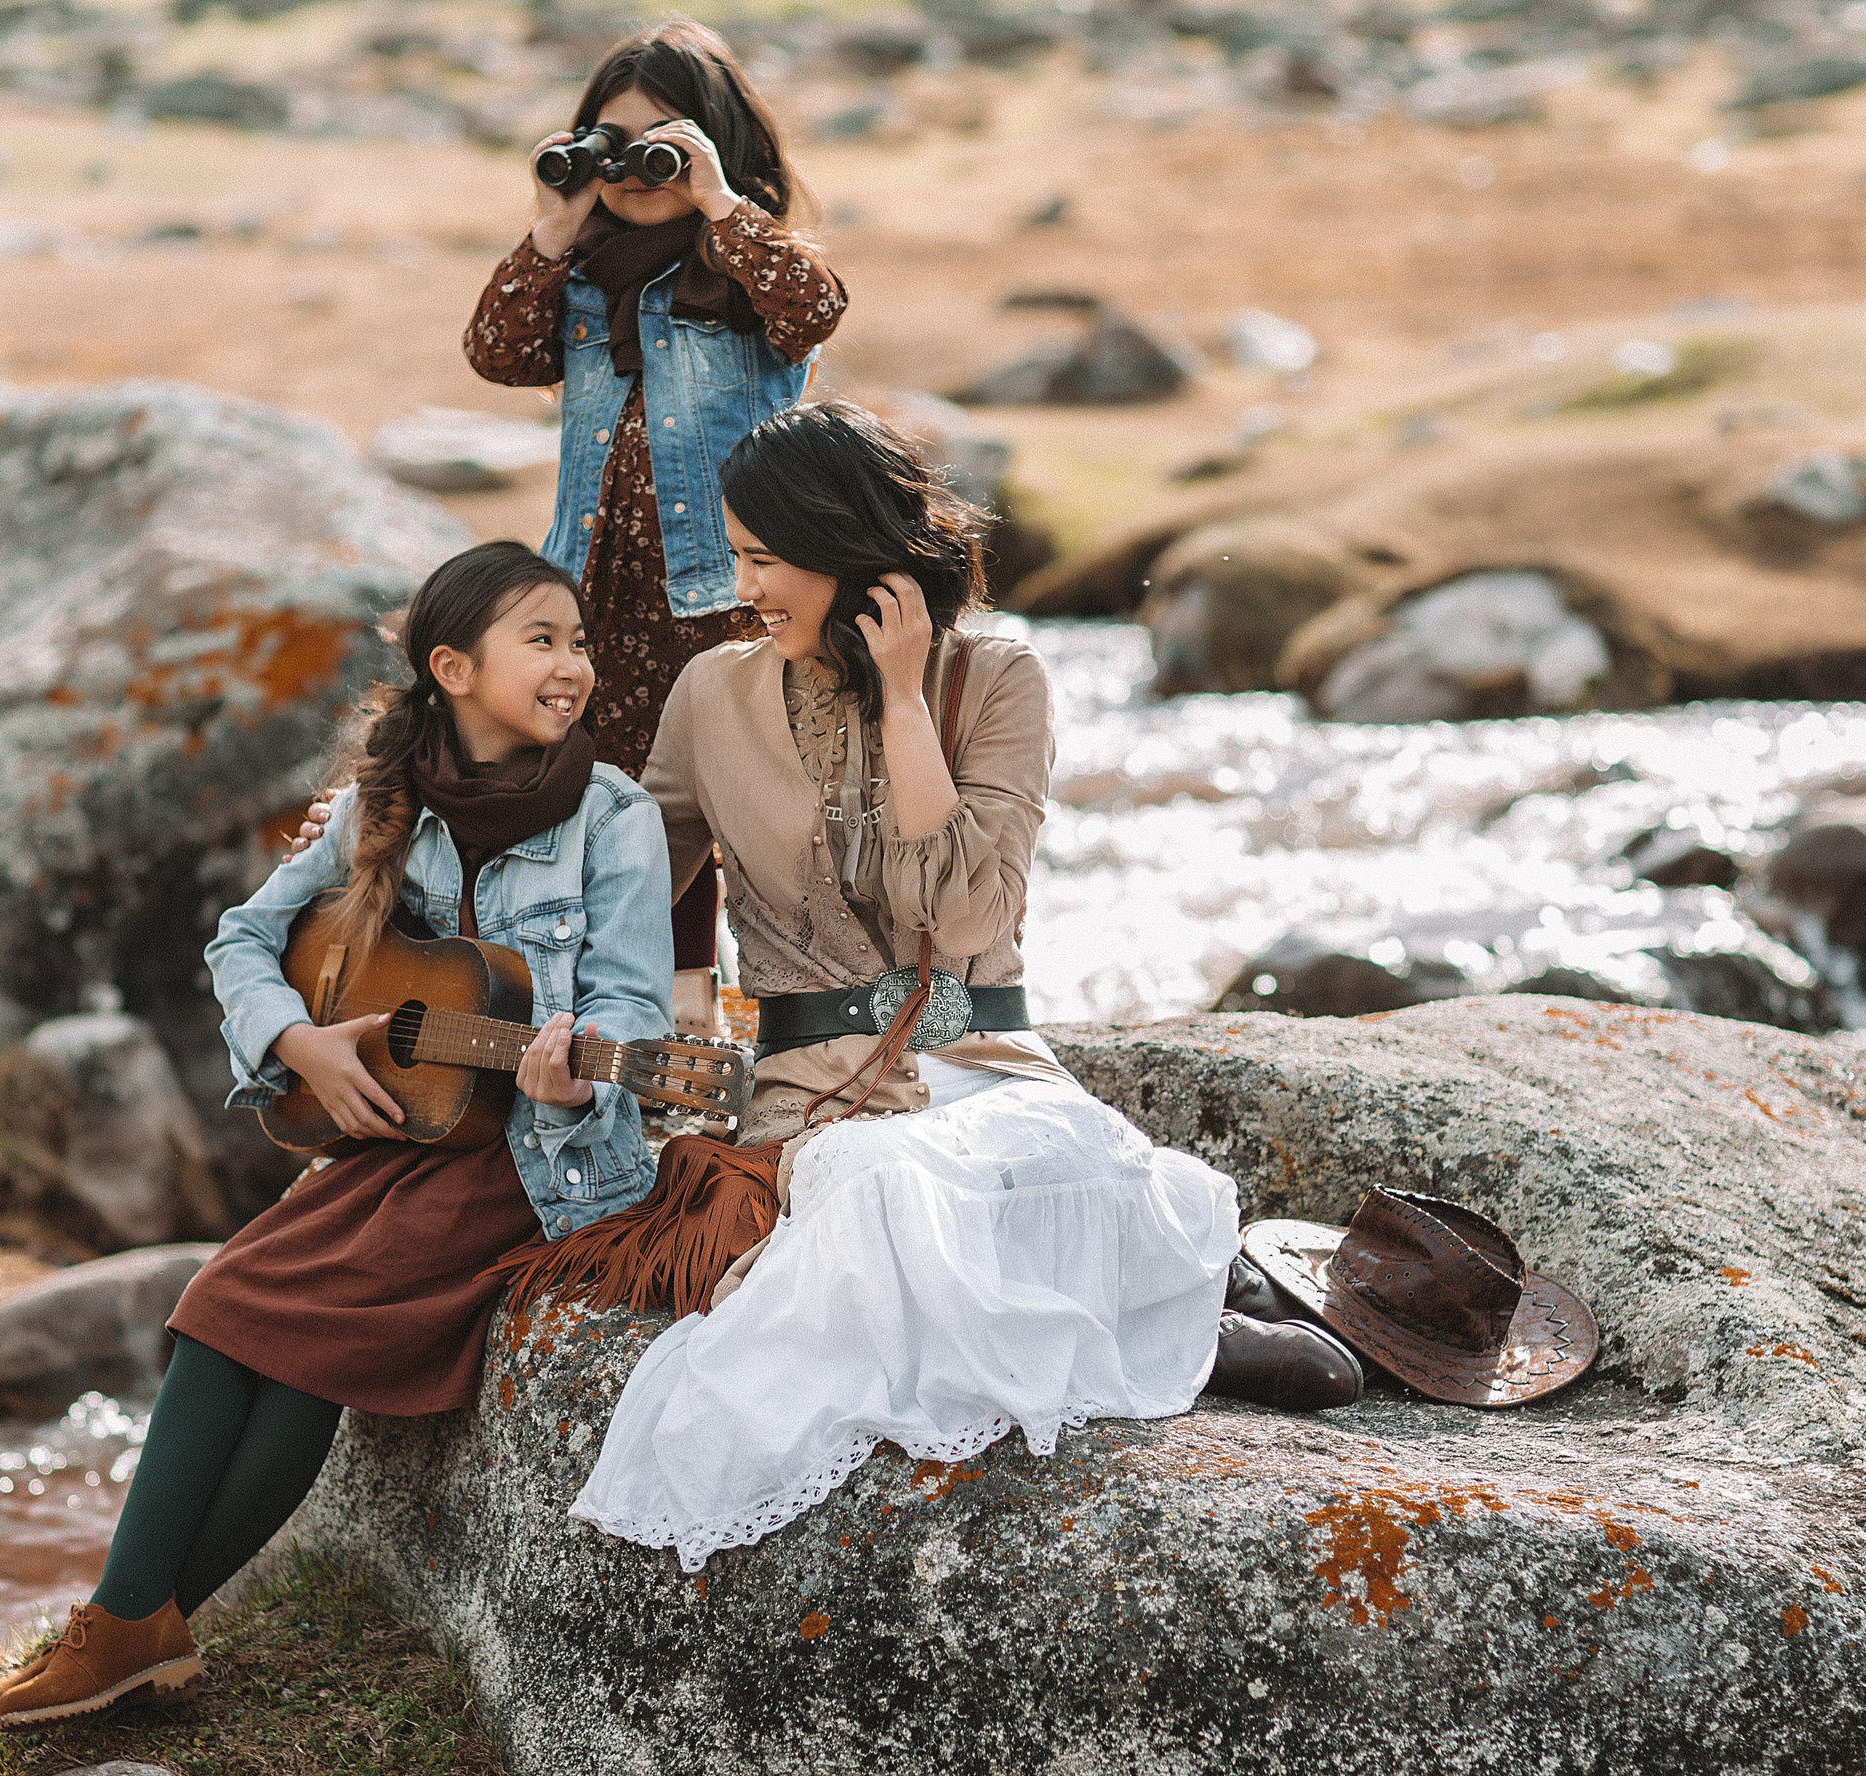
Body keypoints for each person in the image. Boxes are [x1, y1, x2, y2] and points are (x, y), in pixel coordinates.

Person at [524, 403, 1363, 1575]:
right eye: (737, 556)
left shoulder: (999, 678)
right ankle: (1160, 1318)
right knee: (877, 1188)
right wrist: (400, 835)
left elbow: (965, 918)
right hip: (813, 1101)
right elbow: (618, 884)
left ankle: (1170, 1305)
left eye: (766, 560)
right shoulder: (710, 692)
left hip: (988, 1072)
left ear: (849, 551)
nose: (742, 588)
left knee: (1055, 1156)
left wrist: (906, 697)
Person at [0, 541, 673, 1730]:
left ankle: (129, 1626)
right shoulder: (377, 806)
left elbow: (636, 1012)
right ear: (452, 669)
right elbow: (243, 940)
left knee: (270, 1318)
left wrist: (573, 1077)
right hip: (400, 1133)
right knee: (229, 1308)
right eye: (541, 640)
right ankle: (133, 1629)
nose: (573, 665)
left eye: (578, 643)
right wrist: (299, 1043)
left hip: (528, 1161)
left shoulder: (614, 816)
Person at [463, 18, 844, 1028]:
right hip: (601, 594)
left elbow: (816, 306)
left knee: (745, 808)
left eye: (661, 144)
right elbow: (496, 352)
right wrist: (552, 225)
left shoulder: (746, 273)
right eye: (610, 143)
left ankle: (798, 1015)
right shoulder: (582, 282)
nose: (634, 168)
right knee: (627, 810)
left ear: (719, 145)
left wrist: (717, 200)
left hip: (727, 593)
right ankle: (669, 1009)